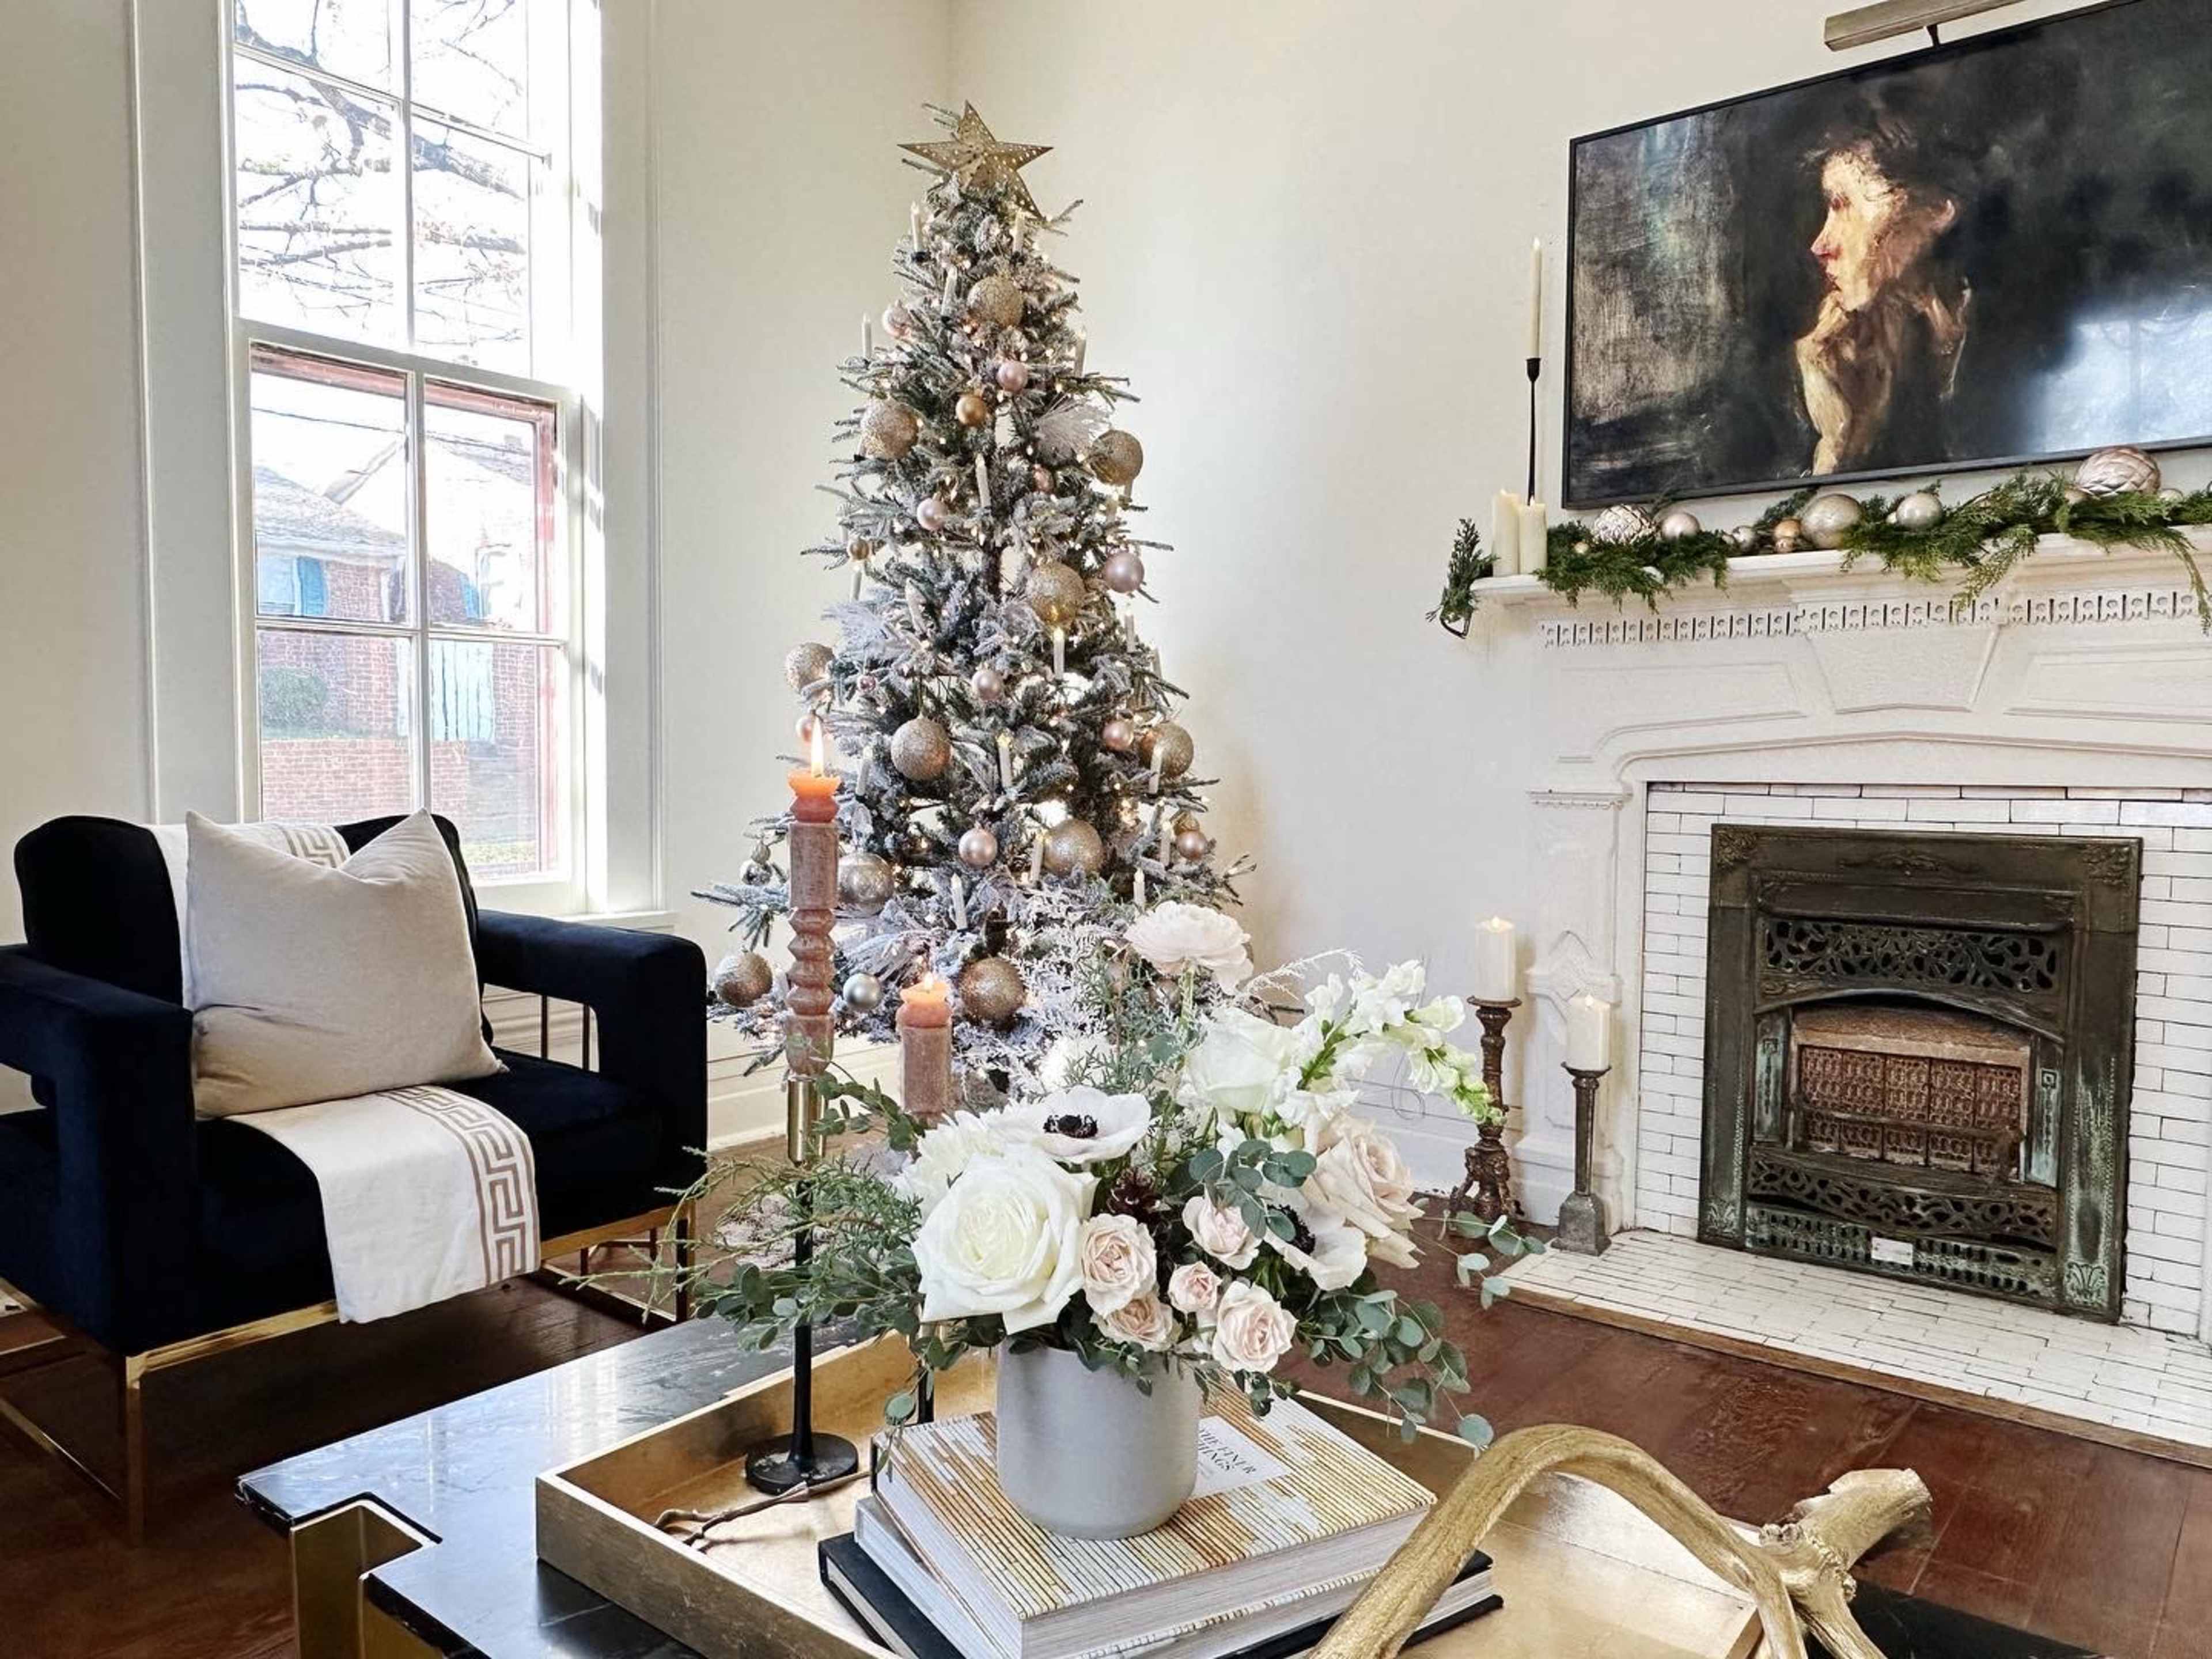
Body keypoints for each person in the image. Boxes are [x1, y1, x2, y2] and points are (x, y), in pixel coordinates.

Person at [1794, 123, 1973, 475]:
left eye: (1842, 204)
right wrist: (1840, 437)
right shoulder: (1864, 340)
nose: (1820, 245)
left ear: (1932, 212)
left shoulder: (1992, 341)